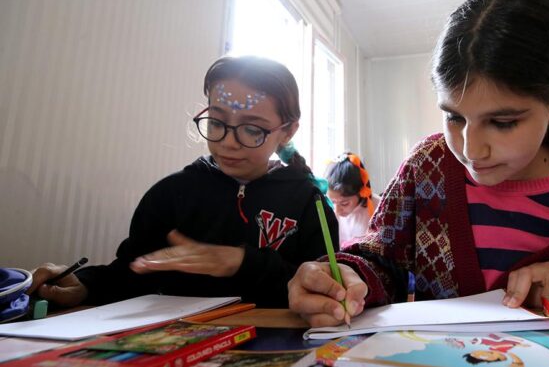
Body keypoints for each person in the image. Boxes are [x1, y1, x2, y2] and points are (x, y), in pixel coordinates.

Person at [287, 0, 549, 327]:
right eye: (454, 117)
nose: (471, 150)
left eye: (502, 122)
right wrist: (349, 278)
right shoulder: (426, 167)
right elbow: (382, 259)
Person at [27, 56, 337, 308]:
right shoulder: (171, 194)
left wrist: (243, 263)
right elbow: (134, 271)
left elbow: (324, 286)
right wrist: (84, 285)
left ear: (287, 131)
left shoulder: (310, 204)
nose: (228, 143)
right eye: (217, 123)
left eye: (252, 130)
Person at [324, 152, 381, 247]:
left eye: (344, 203)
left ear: (361, 192)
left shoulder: (379, 208)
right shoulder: (331, 212)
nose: (337, 210)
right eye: (332, 202)